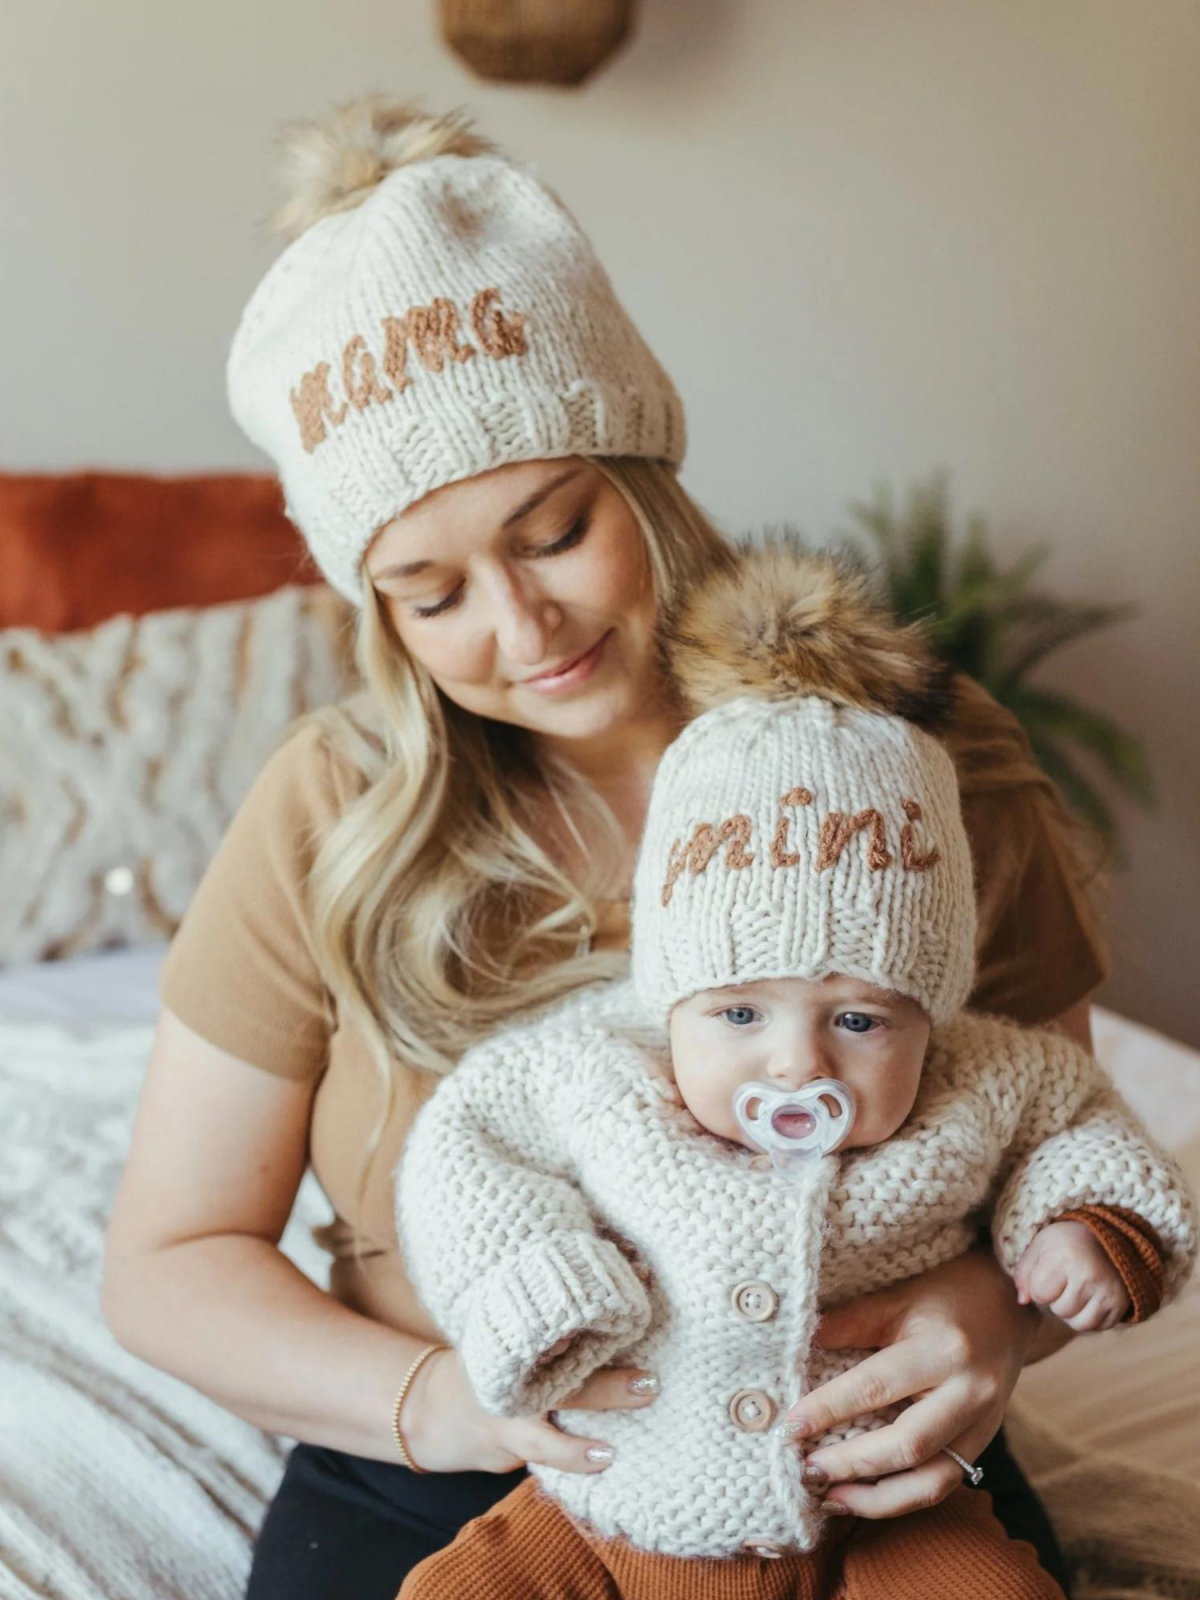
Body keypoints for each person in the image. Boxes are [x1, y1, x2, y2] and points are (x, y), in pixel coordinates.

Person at [102, 94, 1114, 1600]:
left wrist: (987, 1318)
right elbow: (171, 1262)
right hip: (448, 1461)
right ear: (373, 609)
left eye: (556, 529)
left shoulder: (921, 759)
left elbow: (1051, 1138)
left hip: (854, 1452)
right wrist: (434, 1408)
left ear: (642, 469)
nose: (522, 629)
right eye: (430, 593)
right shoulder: (335, 808)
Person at [394, 544, 1195, 1597]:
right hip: (612, 1509)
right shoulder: (594, 1071)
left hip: (883, 1511)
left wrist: (1083, 1228)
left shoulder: (983, 1078)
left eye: (859, 1017)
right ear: (671, 997)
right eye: (737, 1011)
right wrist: (539, 1282)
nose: (795, 1060)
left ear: (930, 1008)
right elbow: (467, 1149)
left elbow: (1079, 1124)